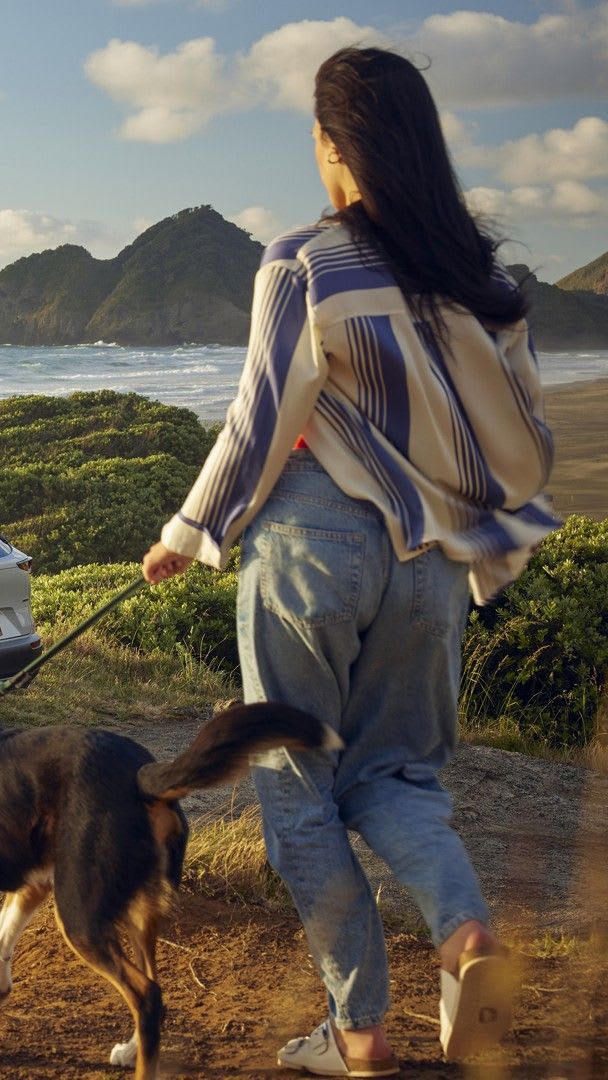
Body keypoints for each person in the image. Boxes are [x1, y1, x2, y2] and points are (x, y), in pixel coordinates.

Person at [141, 46, 556, 1078]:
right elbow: (526, 442)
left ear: (333, 147)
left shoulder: (305, 261)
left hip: (313, 543)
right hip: (429, 563)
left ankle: (357, 1030)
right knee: (397, 776)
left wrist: (188, 532)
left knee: (295, 781)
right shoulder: (483, 281)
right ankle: (464, 938)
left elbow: (257, 416)